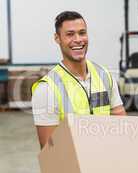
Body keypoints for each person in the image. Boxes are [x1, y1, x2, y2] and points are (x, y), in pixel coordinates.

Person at [31, 11, 126, 148]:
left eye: (82, 33)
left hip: (107, 161)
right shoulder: (46, 89)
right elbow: (50, 152)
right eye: (70, 34)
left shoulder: (104, 75)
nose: (78, 39)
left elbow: (122, 126)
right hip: (73, 166)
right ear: (57, 38)